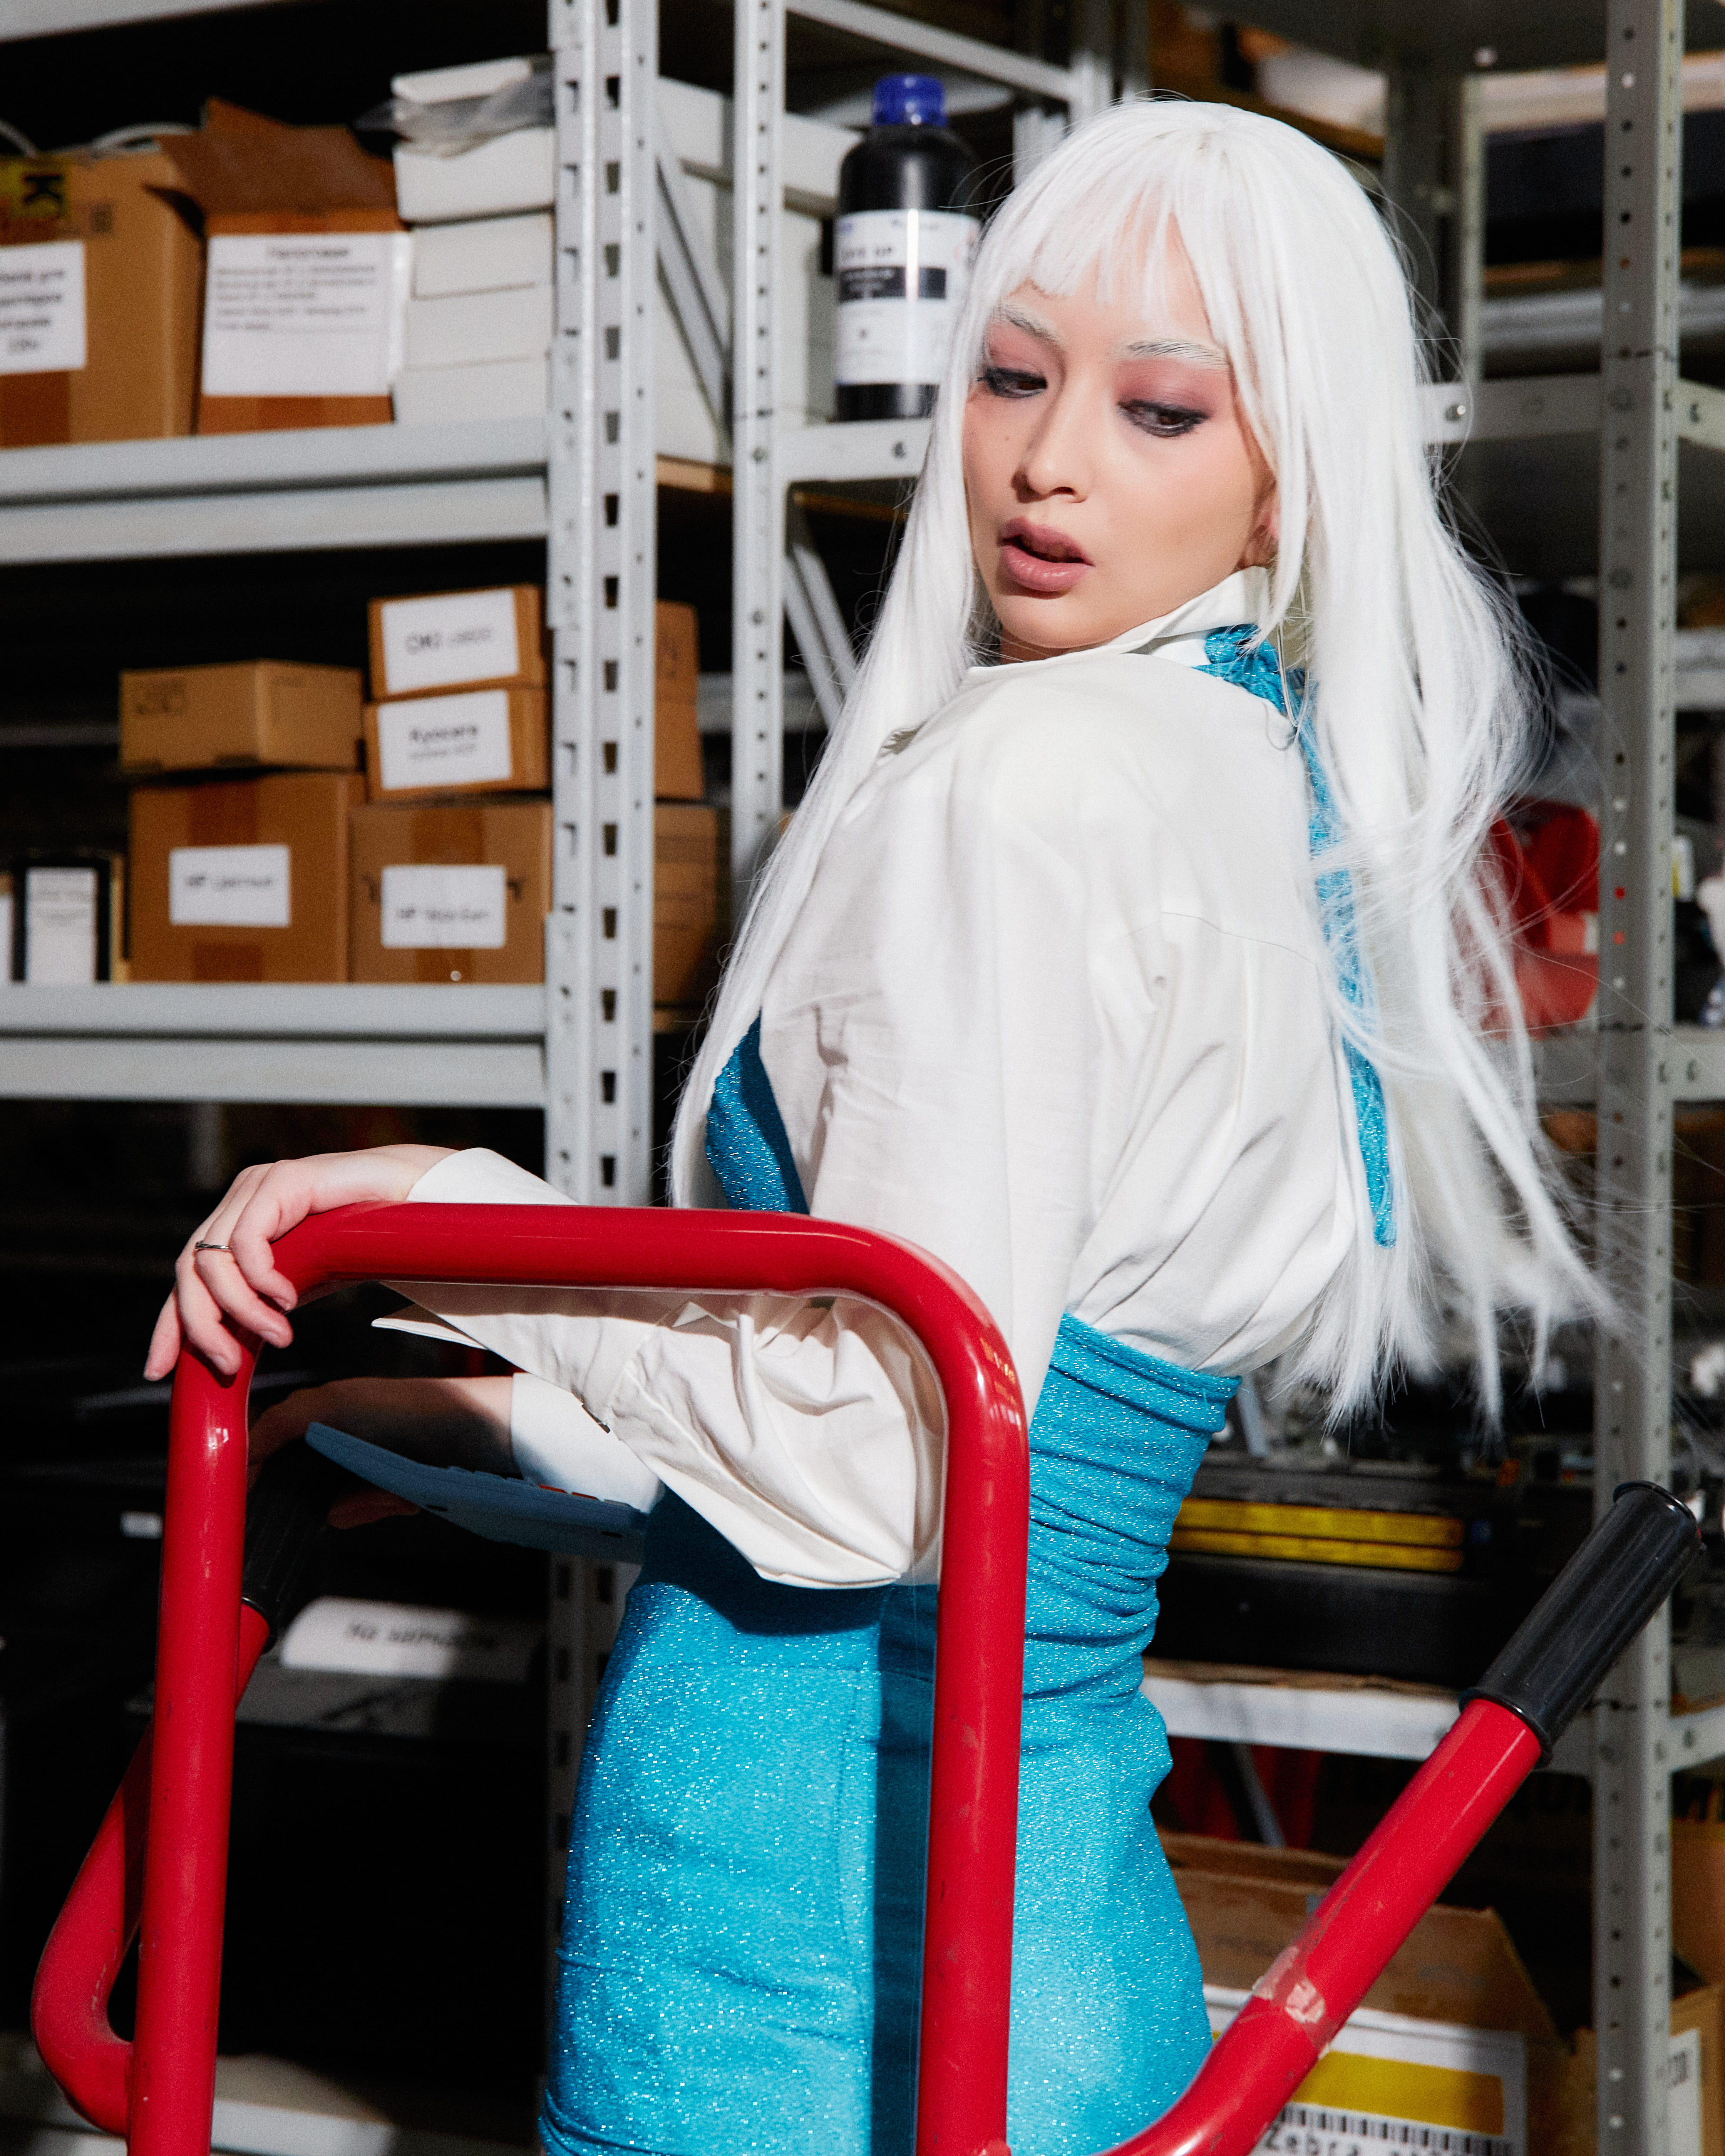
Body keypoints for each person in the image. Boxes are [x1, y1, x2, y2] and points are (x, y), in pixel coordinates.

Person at [149, 99, 1591, 2156]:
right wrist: (480, 1432)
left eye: (1161, 409)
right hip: (1044, 1971)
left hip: (803, 1992)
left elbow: (879, 1476)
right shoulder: (1265, 793)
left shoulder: (1024, 788)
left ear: (1294, 464)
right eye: (1011, 376)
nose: (1052, 460)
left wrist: (446, 1216)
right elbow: (965, 1467)